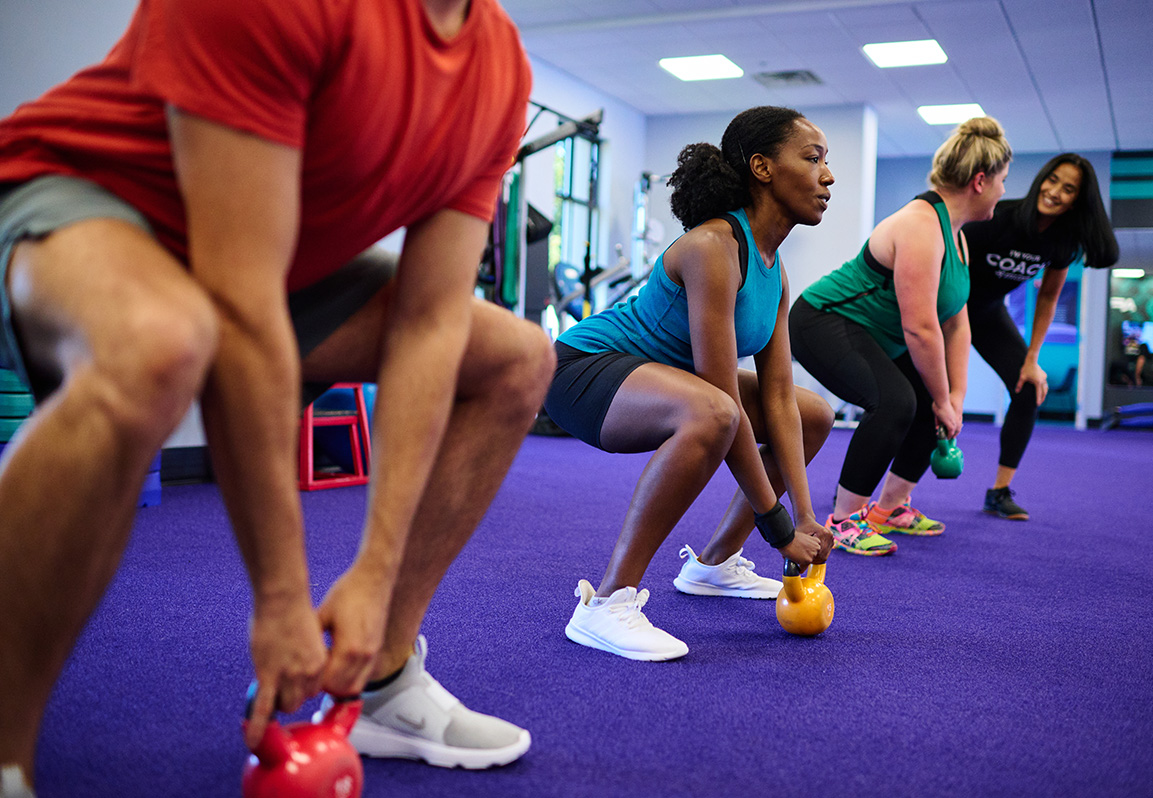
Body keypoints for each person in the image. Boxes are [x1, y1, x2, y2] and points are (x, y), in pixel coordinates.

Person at [0, 0, 554, 793]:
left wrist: (373, 572)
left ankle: (382, 679)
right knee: (163, 340)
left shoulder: (498, 70)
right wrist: (282, 597)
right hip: (73, 193)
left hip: (269, 262)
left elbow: (429, 321)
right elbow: (237, 305)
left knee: (513, 358)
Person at [542, 106, 836, 661]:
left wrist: (805, 517)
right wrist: (778, 528)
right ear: (762, 167)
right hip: (584, 368)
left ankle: (715, 564)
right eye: (813, 158)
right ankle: (606, 603)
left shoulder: (774, 267)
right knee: (715, 414)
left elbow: (777, 399)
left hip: (670, 382)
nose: (828, 175)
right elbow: (724, 403)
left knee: (813, 411)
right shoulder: (712, 247)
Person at [789, 117, 1012, 555]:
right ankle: (844, 519)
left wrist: (955, 397)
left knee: (931, 403)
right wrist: (943, 398)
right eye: (1004, 181)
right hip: (823, 320)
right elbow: (921, 327)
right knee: (895, 401)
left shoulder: (959, 238)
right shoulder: (920, 226)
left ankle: (888, 508)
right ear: (981, 182)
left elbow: (955, 322)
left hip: (874, 334)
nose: (1005, 191)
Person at [961, 154, 1119, 520]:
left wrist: (1032, 359)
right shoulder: (997, 216)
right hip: (947, 309)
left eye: (1069, 189)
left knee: (1027, 387)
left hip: (987, 314)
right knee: (924, 396)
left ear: (1079, 199)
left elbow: (1048, 296)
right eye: (1053, 180)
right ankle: (890, 496)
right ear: (1041, 178)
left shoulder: (1063, 241)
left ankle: (999, 492)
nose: (1055, 192)